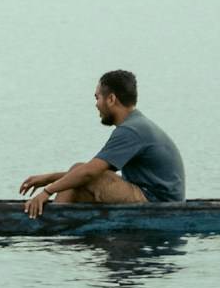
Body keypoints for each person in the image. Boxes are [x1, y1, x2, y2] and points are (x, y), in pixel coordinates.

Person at [19, 69, 185, 217]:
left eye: (97, 97)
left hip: (159, 203)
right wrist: (49, 178)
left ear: (111, 99)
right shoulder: (137, 124)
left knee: (79, 171)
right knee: (78, 183)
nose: (96, 104)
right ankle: (62, 225)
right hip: (153, 196)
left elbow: (88, 173)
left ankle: (53, 223)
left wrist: (46, 192)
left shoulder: (131, 130)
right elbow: (94, 173)